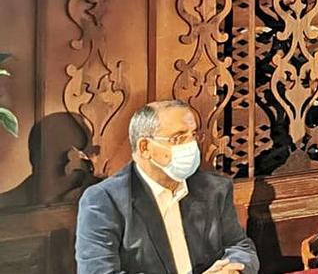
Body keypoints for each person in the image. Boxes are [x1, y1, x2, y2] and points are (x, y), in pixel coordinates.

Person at [75, 100, 259, 274]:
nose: (192, 145)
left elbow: (240, 246)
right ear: (145, 147)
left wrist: (234, 270)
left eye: (193, 135)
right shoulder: (104, 200)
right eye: (178, 138)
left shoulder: (214, 188)